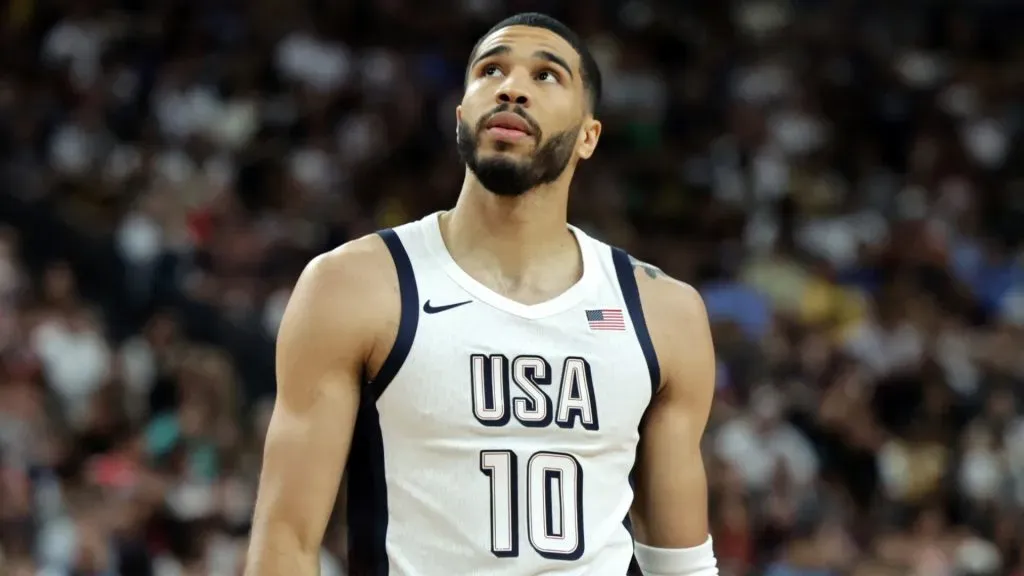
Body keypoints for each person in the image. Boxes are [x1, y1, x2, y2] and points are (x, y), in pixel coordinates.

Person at [245, 12, 718, 576]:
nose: (512, 86)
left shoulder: (664, 311)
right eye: (491, 70)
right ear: (463, 113)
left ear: (589, 136)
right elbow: (286, 545)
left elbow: (682, 565)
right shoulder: (357, 285)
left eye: (547, 76)